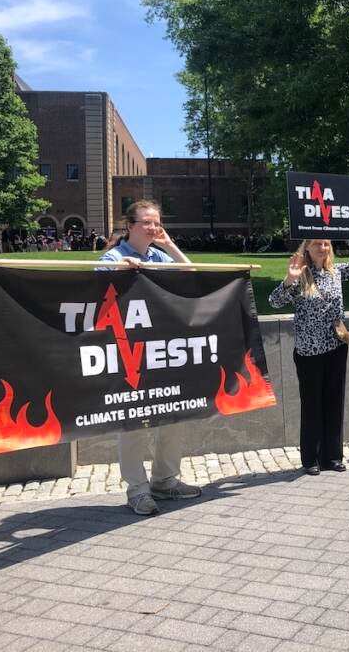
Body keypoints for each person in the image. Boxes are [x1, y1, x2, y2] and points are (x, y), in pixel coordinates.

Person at [99, 199, 201, 516]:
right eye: (146, 222)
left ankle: (165, 481)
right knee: (133, 424)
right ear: (129, 225)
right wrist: (119, 271)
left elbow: (191, 273)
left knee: (172, 415)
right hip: (128, 353)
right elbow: (92, 290)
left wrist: (169, 244)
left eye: (157, 222)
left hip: (161, 350)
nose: (153, 227)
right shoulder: (112, 257)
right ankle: (138, 490)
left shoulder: (157, 255)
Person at [268, 215, 349, 475]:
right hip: (309, 351)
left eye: (326, 244)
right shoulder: (301, 275)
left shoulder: (335, 272)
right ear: (307, 247)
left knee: (334, 402)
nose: (323, 248)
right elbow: (274, 301)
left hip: (336, 346)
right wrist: (289, 280)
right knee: (312, 403)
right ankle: (310, 458)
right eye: (317, 244)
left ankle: (332, 456)